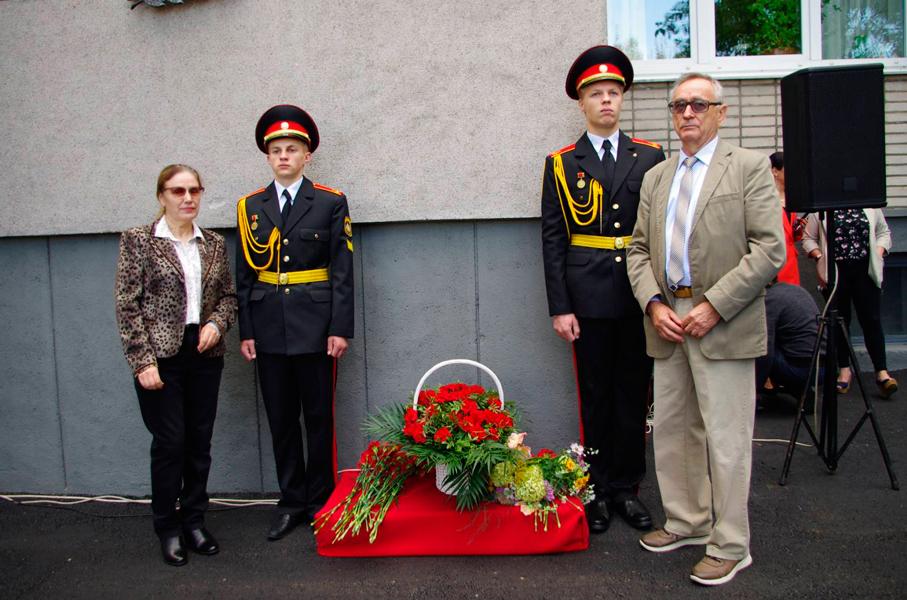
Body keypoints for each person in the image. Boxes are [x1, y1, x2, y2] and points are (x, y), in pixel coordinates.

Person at [626, 72, 785, 586]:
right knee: (673, 433)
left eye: (699, 104)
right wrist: (652, 303)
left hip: (723, 323)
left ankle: (731, 543)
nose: (687, 114)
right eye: (678, 106)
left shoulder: (749, 167)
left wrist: (715, 305)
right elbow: (638, 251)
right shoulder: (657, 176)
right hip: (669, 323)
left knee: (726, 439)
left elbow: (769, 250)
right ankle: (688, 521)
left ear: (721, 111)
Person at [541, 45, 665, 534]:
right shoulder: (561, 163)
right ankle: (594, 489)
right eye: (597, 94)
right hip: (587, 297)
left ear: (623, 99)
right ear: (581, 103)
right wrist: (560, 307)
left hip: (640, 294)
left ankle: (626, 489)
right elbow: (553, 239)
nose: (607, 101)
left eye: (614, 93)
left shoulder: (651, 156)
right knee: (593, 395)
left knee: (634, 394)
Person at [236, 104, 354, 541]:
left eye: (292, 149)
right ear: (267, 157)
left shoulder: (329, 201)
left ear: (307, 156)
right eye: (277, 150)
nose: (284, 156)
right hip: (267, 329)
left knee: (318, 417)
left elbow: (342, 271)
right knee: (281, 418)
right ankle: (290, 501)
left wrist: (340, 327)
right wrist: (247, 329)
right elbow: (244, 274)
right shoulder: (250, 206)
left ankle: (320, 500)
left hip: (316, 327)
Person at [115, 164, 237, 566]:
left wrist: (218, 325)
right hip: (160, 358)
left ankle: (195, 522)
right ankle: (167, 527)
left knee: (199, 443)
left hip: (203, 354)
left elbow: (229, 298)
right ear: (161, 196)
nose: (188, 198)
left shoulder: (214, 244)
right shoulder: (140, 241)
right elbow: (127, 306)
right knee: (171, 443)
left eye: (194, 190)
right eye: (178, 191)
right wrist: (141, 361)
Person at [802, 209, 896, 397]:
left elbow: (883, 233)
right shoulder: (823, 207)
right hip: (836, 273)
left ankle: (882, 372)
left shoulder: (869, 206)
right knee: (839, 321)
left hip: (865, 271)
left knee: (871, 320)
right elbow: (808, 238)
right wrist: (820, 257)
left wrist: (878, 252)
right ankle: (844, 370)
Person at [756, 281, 821, 409]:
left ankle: (799, 389)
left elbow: (765, 352)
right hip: (823, 365)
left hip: (801, 368)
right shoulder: (796, 290)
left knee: (757, 346)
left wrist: (755, 389)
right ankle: (802, 392)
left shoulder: (770, 299)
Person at [768, 151, 804, 285]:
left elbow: (791, 234)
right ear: (775, 172)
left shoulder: (791, 198)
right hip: (775, 260)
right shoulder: (766, 199)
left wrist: (798, 229)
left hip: (791, 260)